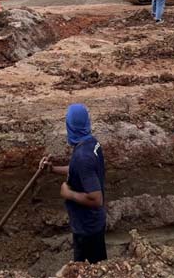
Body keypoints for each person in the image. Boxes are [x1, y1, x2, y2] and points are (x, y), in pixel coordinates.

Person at [40, 104, 107, 264]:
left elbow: (96, 199)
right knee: (95, 265)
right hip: (92, 224)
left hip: (87, 227)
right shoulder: (91, 143)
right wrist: (53, 169)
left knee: (85, 268)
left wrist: (68, 193)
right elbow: (80, 171)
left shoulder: (83, 157)